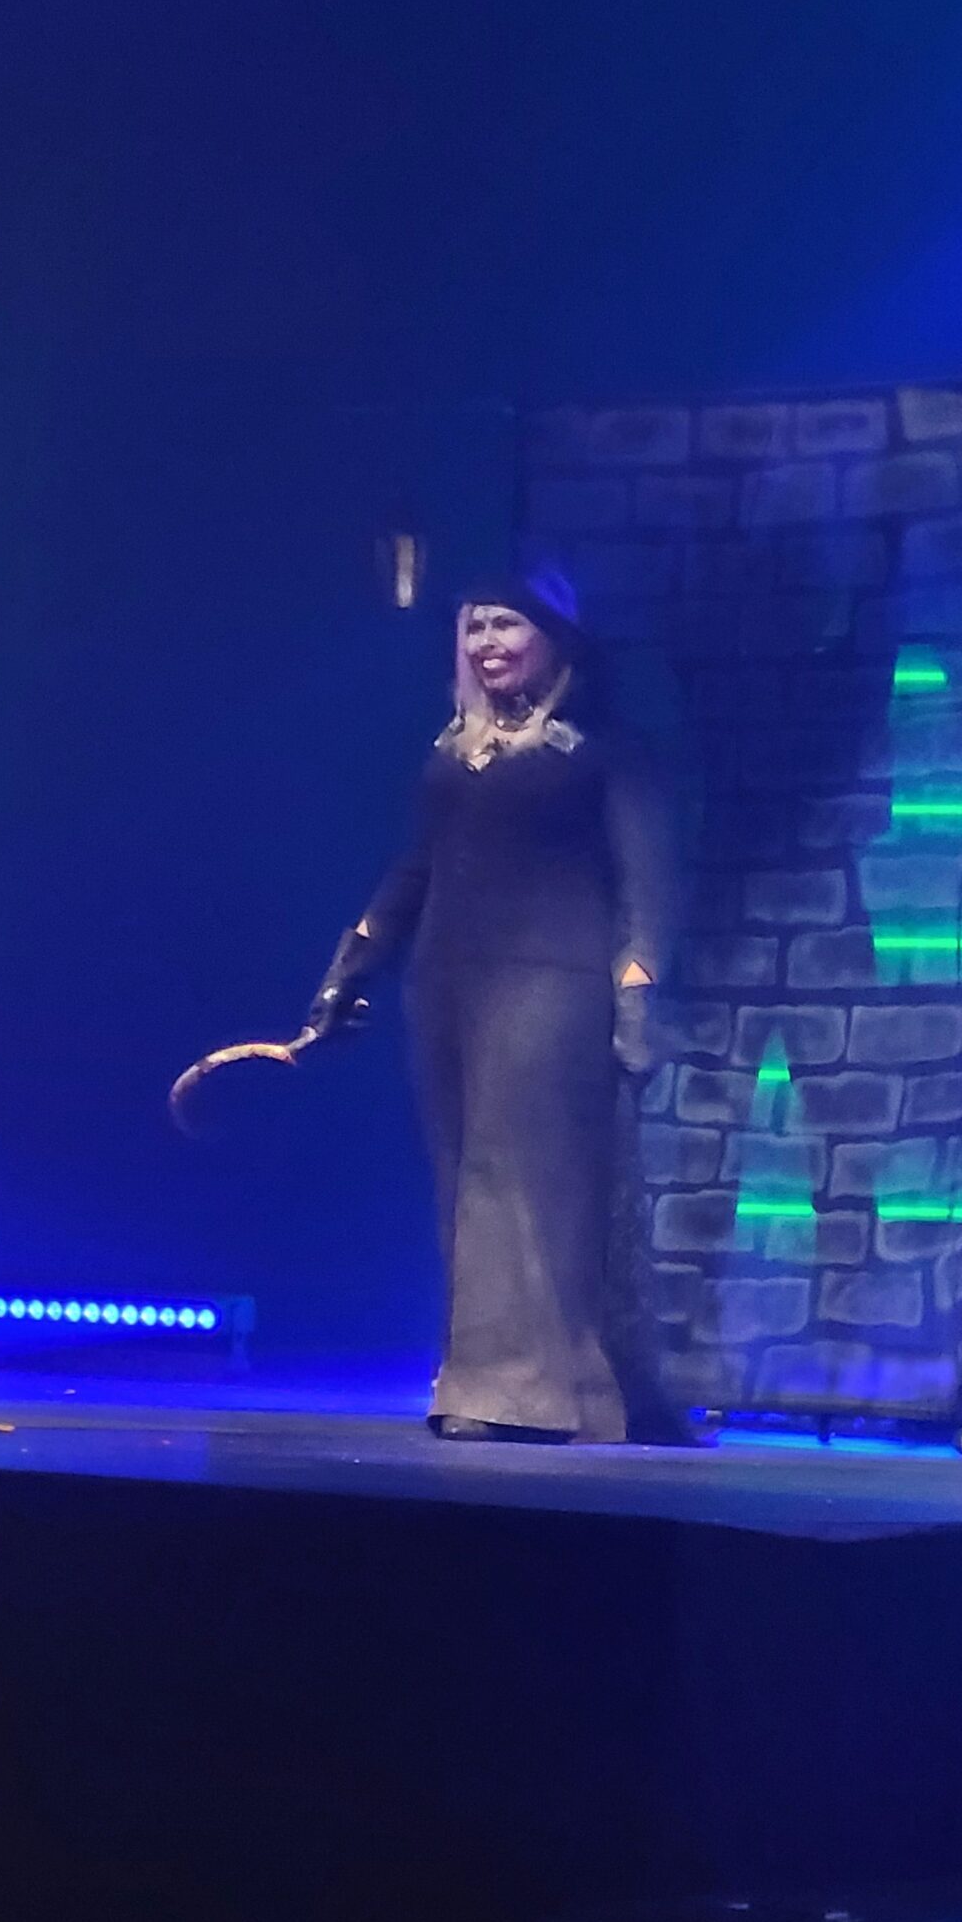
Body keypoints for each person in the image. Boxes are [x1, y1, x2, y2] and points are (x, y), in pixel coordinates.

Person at [307, 577, 676, 1445]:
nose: (486, 642)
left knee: (519, 1178)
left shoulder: (600, 753)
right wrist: (349, 968)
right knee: (464, 1177)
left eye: (506, 624)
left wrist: (637, 996)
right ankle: (523, 1384)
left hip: (552, 981)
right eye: (474, 627)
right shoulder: (451, 753)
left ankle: (520, 1391)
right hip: (446, 983)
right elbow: (414, 869)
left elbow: (648, 886)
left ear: (557, 638)